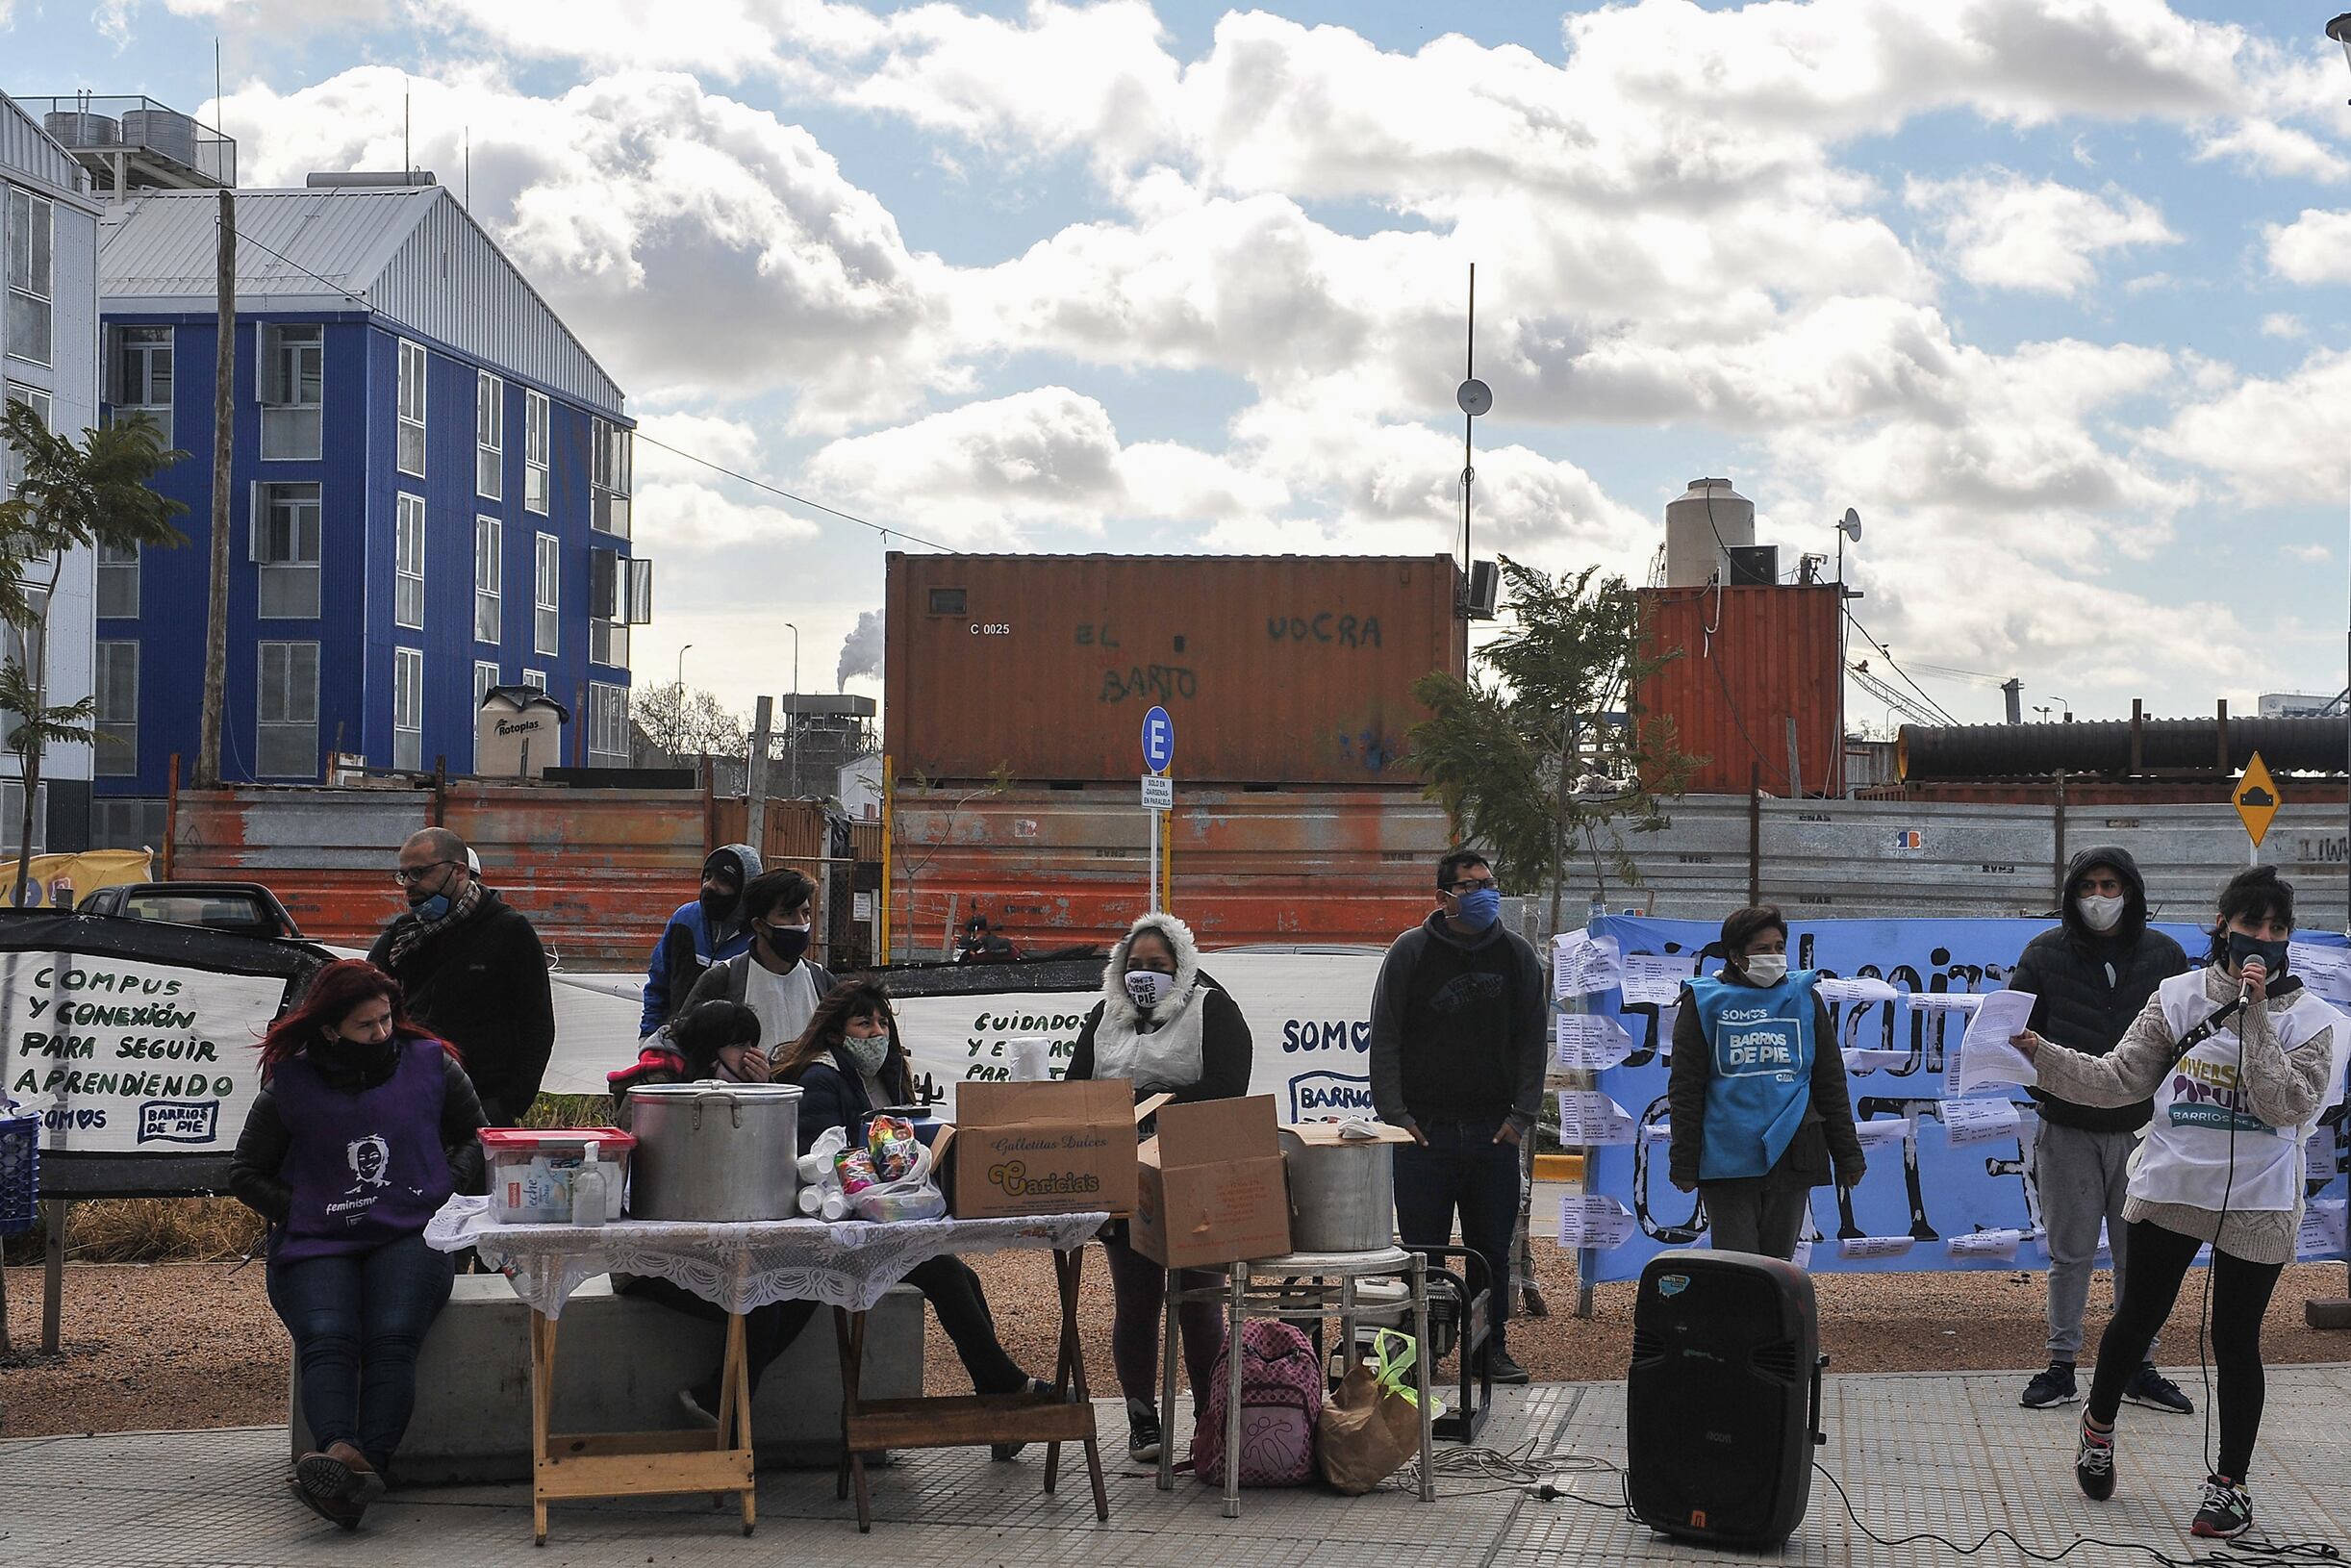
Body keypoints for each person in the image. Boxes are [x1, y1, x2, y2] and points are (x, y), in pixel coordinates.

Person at [2012, 867, 2343, 1541]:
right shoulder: (2178, 997)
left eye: (2278, 928)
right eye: (2252, 924)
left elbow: (2285, 1104)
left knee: (2235, 1339)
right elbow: (2117, 1081)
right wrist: (2040, 1055)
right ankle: (2098, 1428)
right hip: (2172, 1184)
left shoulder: (2318, 1022)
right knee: (2138, 1317)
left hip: (2259, 1197)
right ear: (2223, 924)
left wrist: (2255, 1018)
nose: (2264, 938)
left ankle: (2230, 1487)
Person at [227, 959, 487, 1530]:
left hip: (412, 1233)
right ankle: (345, 1459)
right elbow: (245, 1172)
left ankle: (349, 1469)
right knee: (328, 1336)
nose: (383, 1034)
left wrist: (445, 1188)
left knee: (393, 1337)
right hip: (318, 1241)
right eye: (366, 1026)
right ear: (329, 1030)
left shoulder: (432, 1064)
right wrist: (303, 1210)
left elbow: (475, 1135)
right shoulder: (289, 1084)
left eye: (386, 1020)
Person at [756, 979, 1047, 1457]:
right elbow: (823, 1164)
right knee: (949, 1274)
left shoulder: (887, 1076)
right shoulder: (821, 1079)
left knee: (964, 1277)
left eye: (882, 1022)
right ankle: (1007, 1390)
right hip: (839, 1233)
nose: (876, 1032)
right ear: (835, 1032)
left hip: (884, 1222)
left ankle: (1000, 1403)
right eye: (863, 1022)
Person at [2008, 847, 2193, 1415]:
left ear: (2131, 891)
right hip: (2067, 1128)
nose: (2100, 897)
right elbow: (2015, 1034)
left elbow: (2190, 1039)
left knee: (2139, 1258)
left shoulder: (2165, 955)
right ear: (2071, 894)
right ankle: (2061, 1365)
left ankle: (2139, 1365)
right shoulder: (2042, 953)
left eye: (2111, 885)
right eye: (2088, 885)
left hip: (2145, 1133)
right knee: (2071, 1253)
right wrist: (2047, 1089)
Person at [1067, 912, 1252, 1463]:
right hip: (1125, 1175)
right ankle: (1142, 1420)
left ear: (1182, 967)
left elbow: (1228, 1086)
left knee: (1200, 1303)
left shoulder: (1214, 1010)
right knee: (1137, 1300)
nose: (1144, 975)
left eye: (1159, 966)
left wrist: (1154, 1099)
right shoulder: (1105, 1016)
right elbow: (1078, 1086)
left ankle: (1209, 1416)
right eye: (1136, 966)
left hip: (1195, 1170)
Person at [1367, 849, 1547, 1388]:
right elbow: (1387, 1037)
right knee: (1422, 1252)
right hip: (1425, 1136)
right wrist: (1396, 1115)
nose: (1483, 894)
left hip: (1493, 1134)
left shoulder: (1517, 957)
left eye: (1489, 883)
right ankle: (1418, 1353)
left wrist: (1522, 1115)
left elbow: (1533, 1044)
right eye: (1470, 886)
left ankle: (1487, 1350)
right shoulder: (1411, 953)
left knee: (1490, 1250)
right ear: (1442, 896)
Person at [1666, 904, 1864, 1259]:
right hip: (1726, 1156)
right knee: (1738, 1265)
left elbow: (1829, 1081)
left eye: (1779, 947)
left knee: (1776, 1266)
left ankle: (1774, 1318)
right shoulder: (1703, 1003)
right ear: (1735, 956)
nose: (1774, 956)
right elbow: (1686, 1089)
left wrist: (1847, 1155)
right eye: (1762, 949)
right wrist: (1683, 1163)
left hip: (1794, 1152)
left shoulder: (1805, 999)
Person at [366, 827, 555, 1126]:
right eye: (404, 875)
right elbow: (361, 1000)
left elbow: (537, 1023)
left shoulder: (508, 932)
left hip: (484, 1102)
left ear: (459, 871)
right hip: (411, 1099)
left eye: (419, 873)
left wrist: (510, 1103)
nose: (409, 885)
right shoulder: (401, 935)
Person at [679, 868, 837, 1055]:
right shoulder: (725, 978)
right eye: (786, 914)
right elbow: (686, 1043)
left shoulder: (821, 979)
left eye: (806, 913)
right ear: (759, 925)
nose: (800, 923)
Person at [638, 844, 764, 1043]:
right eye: (707, 876)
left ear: (745, 889)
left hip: (730, 1056)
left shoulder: (759, 935)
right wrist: (648, 1035)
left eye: (724, 881)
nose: (710, 886)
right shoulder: (684, 920)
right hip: (678, 1043)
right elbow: (658, 984)